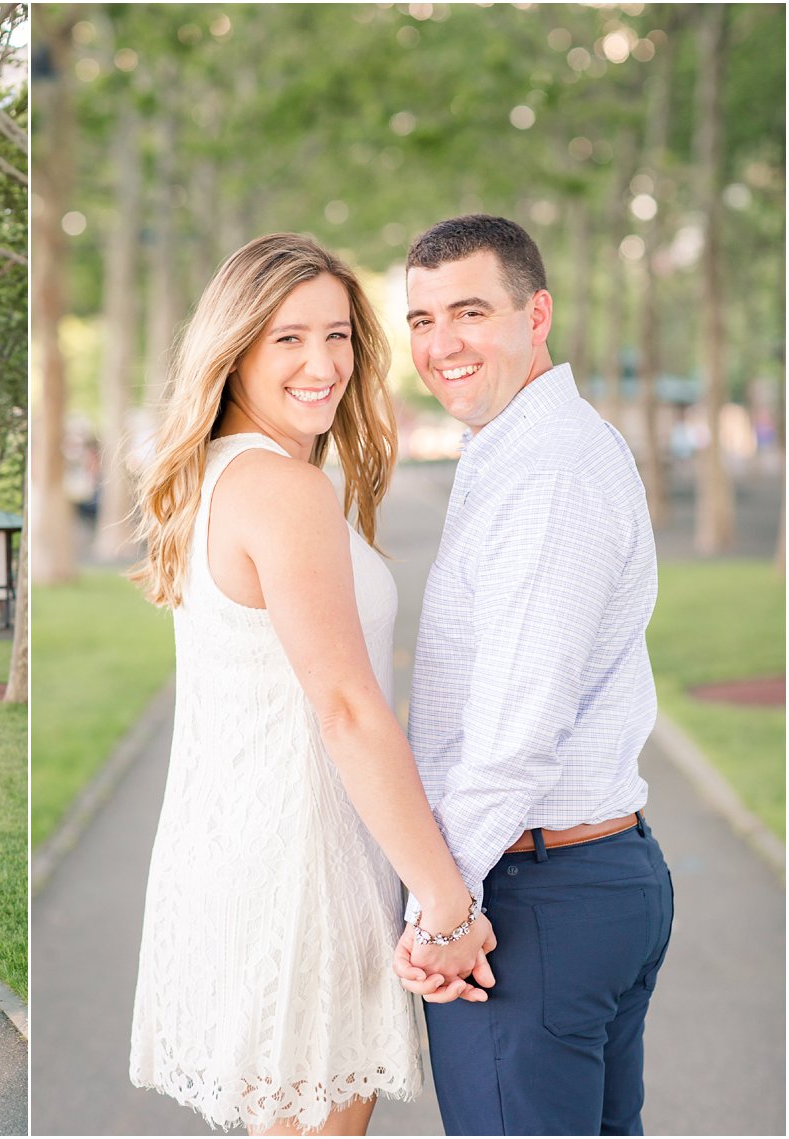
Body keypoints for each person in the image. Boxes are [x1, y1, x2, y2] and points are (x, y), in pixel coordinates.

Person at [127, 233, 495, 1137]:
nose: (322, 363)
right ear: (236, 347)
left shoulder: (221, 477)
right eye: (288, 338)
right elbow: (347, 708)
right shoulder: (280, 490)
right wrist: (448, 908)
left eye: (338, 336)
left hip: (241, 854)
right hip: (299, 872)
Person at [393, 214, 673, 1135]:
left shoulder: (548, 474)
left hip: (533, 900)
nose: (442, 344)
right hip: (575, 880)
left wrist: (443, 916)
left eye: (469, 311)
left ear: (537, 311)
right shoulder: (517, 449)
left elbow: (514, 731)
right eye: (423, 319)